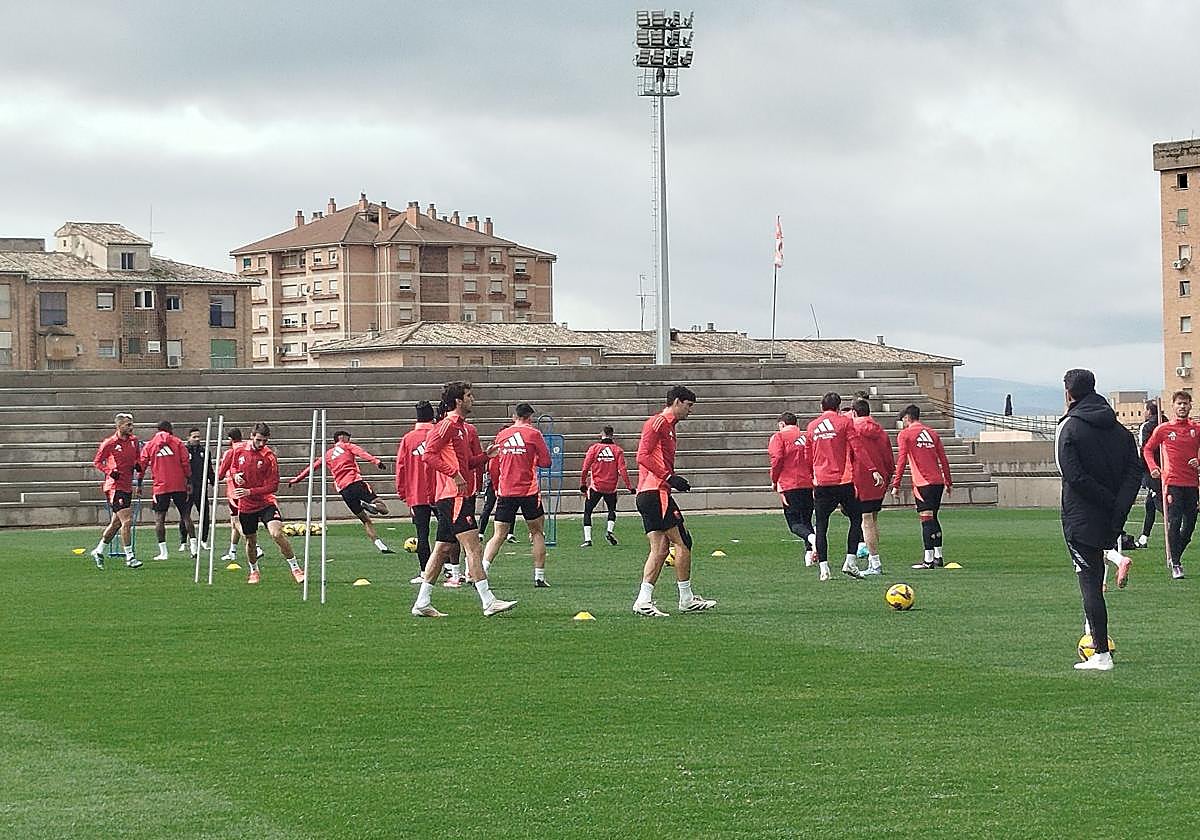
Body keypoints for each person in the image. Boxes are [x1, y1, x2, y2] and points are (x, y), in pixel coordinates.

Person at [1056, 369, 1142, 671]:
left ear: (1068, 394)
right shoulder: (1122, 431)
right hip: (1112, 518)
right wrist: (1119, 507)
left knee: (1090, 584)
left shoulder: (1068, 427)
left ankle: (1101, 653)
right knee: (1096, 577)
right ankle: (1099, 648)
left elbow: (1073, 475)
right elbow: (1135, 471)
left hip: (1080, 517)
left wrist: (1106, 501)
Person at [411, 381, 516, 617]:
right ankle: (488, 600)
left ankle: (422, 602)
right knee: (473, 547)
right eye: (469, 395)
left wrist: (485, 457)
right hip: (453, 496)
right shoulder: (447, 425)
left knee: (441, 549)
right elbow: (428, 455)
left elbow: (466, 463)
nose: (473, 399)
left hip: (457, 495)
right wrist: (454, 474)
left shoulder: (462, 428)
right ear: (458, 400)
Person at [631, 385, 716, 616]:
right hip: (654, 492)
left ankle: (643, 600)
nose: (690, 411)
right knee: (683, 542)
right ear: (677, 401)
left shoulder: (669, 427)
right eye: (688, 406)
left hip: (653, 492)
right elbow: (642, 455)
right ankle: (686, 598)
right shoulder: (658, 422)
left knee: (659, 549)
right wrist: (669, 477)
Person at [807, 392, 882, 581]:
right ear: (839, 407)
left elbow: (808, 456)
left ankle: (824, 569)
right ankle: (850, 561)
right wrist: (873, 469)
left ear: (821, 407)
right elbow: (857, 448)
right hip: (843, 481)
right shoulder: (844, 423)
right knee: (856, 519)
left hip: (822, 482)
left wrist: (812, 477)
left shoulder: (812, 426)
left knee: (822, 526)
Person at [481, 403, 553, 586]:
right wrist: (531, 458)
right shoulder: (534, 434)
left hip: (506, 490)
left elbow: (493, 465)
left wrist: (497, 486)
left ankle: (481, 571)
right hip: (528, 490)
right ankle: (539, 576)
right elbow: (546, 462)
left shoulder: (503, 435)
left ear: (514, 416)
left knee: (498, 534)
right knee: (537, 532)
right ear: (530, 418)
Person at [289, 430, 392, 553]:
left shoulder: (327, 454)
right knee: (384, 509)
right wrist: (376, 461)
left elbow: (312, 467)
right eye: (348, 437)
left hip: (344, 490)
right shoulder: (347, 446)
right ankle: (371, 505)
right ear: (342, 438)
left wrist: (297, 479)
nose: (349, 440)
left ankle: (381, 546)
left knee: (365, 520)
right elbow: (361, 453)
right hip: (355, 482)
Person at [229, 422, 302, 585]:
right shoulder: (239, 451)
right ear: (251, 436)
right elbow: (233, 468)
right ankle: (254, 570)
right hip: (246, 505)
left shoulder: (269, 457)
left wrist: (250, 491)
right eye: (259, 440)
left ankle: (295, 568)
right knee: (251, 540)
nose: (261, 444)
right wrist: (235, 476)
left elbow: (273, 486)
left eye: (264, 441)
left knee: (276, 533)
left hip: (265, 502)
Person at [1142, 390, 1200, 580]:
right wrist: (1153, 467)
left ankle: (1175, 555)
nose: (1182, 406)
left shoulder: (1196, 429)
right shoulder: (1164, 429)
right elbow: (1148, 449)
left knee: (1190, 526)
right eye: (1179, 403)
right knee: (1174, 521)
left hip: (1192, 483)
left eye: (1185, 403)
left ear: (1190, 406)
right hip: (1172, 482)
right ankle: (1176, 564)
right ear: (1173, 406)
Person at [891, 404, 954, 570]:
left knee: (926, 520)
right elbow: (944, 459)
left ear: (907, 418)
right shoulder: (932, 433)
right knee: (934, 518)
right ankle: (938, 556)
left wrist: (896, 484)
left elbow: (902, 460)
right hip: (937, 482)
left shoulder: (905, 434)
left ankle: (928, 560)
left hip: (922, 483)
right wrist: (948, 481)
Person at [89, 412, 144, 569]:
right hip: (115, 487)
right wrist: (109, 471)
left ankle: (98, 550)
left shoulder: (134, 441)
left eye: (132, 424)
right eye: (128, 425)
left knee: (116, 524)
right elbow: (97, 461)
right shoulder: (110, 443)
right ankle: (130, 557)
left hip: (127, 485)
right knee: (127, 521)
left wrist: (137, 464)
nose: (131, 427)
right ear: (119, 426)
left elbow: (137, 457)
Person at [851, 397, 895, 576]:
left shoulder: (853, 431)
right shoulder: (881, 432)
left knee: (866, 520)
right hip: (879, 480)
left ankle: (875, 562)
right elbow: (889, 458)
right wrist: (888, 477)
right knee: (873, 519)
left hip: (861, 479)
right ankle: (873, 559)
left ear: (854, 413)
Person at [396, 400, 439, 584]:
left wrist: (403, 492)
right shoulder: (439, 434)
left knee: (422, 533)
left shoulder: (408, 438)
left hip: (417, 493)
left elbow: (401, 467)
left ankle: (424, 572)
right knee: (449, 531)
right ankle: (453, 570)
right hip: (440, 491)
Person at [140, 420, 194, 561]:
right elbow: (185, 463)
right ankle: (194, 548)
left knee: (159, 519)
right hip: (178, 484)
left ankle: (163, 552)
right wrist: (188, 480)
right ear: (170, 430)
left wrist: (139, 484)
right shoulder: (177, 443)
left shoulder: (150, 445)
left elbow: (142, 464)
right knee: (186, 515)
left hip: (160, 486)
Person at [767, 412, 816, 565]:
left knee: (794, 523)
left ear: (781, 424)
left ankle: (812, 539)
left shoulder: (779, 437)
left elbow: (777, 458)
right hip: (807, 483)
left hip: (789, 483)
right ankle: (810, 554)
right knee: (806, 519)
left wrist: (774, 479)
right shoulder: (805, 437)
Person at [580, 425, 634, 547]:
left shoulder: (594, 449)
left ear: (602, 434)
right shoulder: (618, 450)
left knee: (588, 511)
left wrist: (583, 484)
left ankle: (588, 539)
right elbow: (622, 470)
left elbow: (585, 468)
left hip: (596, 487)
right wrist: (629, 486)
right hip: (611, 488)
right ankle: (609, 531)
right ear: (612, 435)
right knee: (611, 510)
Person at [217, 428, 262, 563]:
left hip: (234, 491)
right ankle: (233, 551)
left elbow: (220, 473)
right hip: (247, 488)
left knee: (237, 521)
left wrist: (215, 477)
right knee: (234, 523)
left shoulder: (231, 451)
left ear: (230, 439)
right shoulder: (247, 447)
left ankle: (256, 547)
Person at [181, 428, 215, 552]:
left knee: (205, 514)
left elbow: (209, 468)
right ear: (188, 438)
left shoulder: (204, 452)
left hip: (201, 487)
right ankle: (183, 541)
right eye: (194, 437)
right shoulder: (183, 451)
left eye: (198, 437)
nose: (197, 439)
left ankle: (203, 540)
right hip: (187, 488)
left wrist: (213, 481)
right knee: (185, 514)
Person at [1136, 400, 1163, 549]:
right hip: (1166, 468)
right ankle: (1144, 538)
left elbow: (1144, 449)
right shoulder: (1166, 423)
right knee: (1150, 505)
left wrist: (1142, 469)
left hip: (1152, 470)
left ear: (1149, 411)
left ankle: (1174, 529)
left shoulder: (1146, 427)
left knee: (1159, 501)